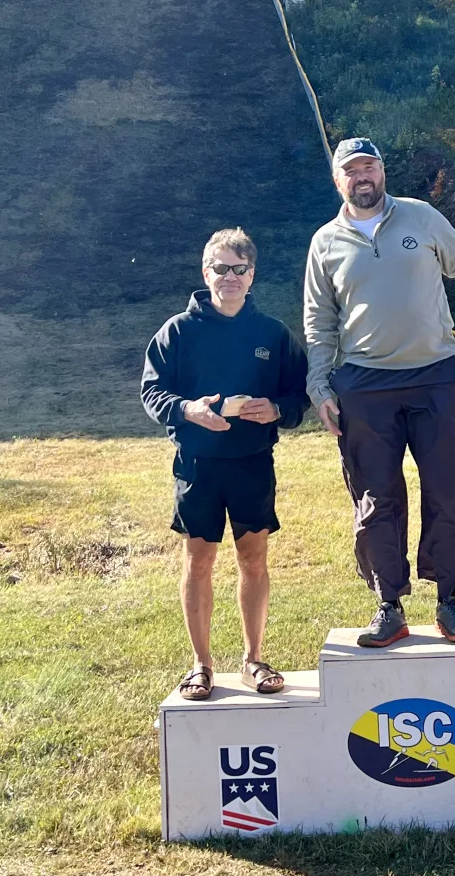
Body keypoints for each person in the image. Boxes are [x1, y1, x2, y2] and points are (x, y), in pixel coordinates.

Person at [304, 137, 455, 648]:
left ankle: (449, 600)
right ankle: (388, 604)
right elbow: (319, 321)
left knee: (447, 489)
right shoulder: (325, 242)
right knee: (375, 497)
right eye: (351, 170)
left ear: (382, 171)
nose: (362, 176)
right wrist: (319, 383)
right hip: (364, 386)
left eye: (369, 166)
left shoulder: (422, 217)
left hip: (435, 375)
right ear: (338, 180)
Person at [142, 228, 309, 699]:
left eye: (239, 269)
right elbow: (151, 392)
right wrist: (188, 410)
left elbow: (301, 393)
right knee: (199, 563)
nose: (229, 277)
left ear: (251, 275)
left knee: (253, 561)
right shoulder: (177, 331)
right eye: (221, 268)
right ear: (205, 272)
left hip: (253, 463)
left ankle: (254, 659)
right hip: (197, 466)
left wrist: (277, 408)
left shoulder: (272, 334)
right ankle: (201, 665)